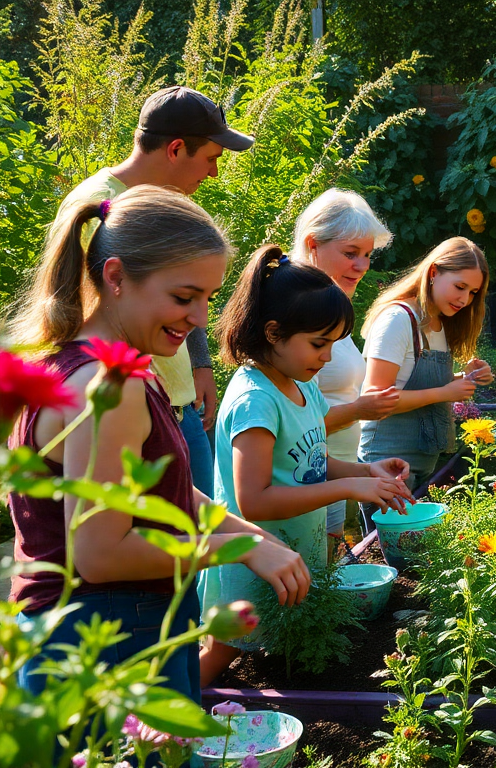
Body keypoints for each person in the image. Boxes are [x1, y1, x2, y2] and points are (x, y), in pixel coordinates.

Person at [6, 186, 308, 701]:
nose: (200, 318)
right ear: (116, 276)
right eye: (184, 297)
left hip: (91, 626)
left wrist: (253, 537)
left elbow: (166, 493)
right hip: (106, 636)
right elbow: (101, 555)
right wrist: (236, 550)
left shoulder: (85, 362)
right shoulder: (110, 385)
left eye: (208, 298)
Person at [199, 246, 414, 684]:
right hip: (253, 564)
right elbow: (254, 500)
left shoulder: (303, 385)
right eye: (319, 344)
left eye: (333, 344)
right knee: (223, 651)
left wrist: (366, 472)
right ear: (274, 333)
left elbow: (314, 462)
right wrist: (347, 489)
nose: (327, 357)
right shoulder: (255, 400)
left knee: (290, 652)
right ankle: (154, 717)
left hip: (296, 554)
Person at [49, 85, 255, 496]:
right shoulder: (98, 205)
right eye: (211, 158)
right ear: (176, 149)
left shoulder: (169, 202)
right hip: (126, 402)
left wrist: (200, 363)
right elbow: (90, 317)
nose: (213, 173)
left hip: (176, 400)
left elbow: (186, 290)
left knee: (192, 524)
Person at [292, 189, 401, 545]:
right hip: (303, 482)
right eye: (350, 253)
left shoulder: (333, 309)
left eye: (367, 255)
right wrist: (359, 410)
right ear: (313, 244)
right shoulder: (297, 318)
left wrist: (364, 471)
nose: (362, 266)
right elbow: (290, 426)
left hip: (334, 472)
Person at [358, 237, 493, 522]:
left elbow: (414, 382)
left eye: (472, 292)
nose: (464, 299)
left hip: (424, 464)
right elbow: (374, 399)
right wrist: (446, 392)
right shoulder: (398, 319)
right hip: (388, 468)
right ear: (433, 273)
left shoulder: (439, 323)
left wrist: (467, 378)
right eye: (460, 287)